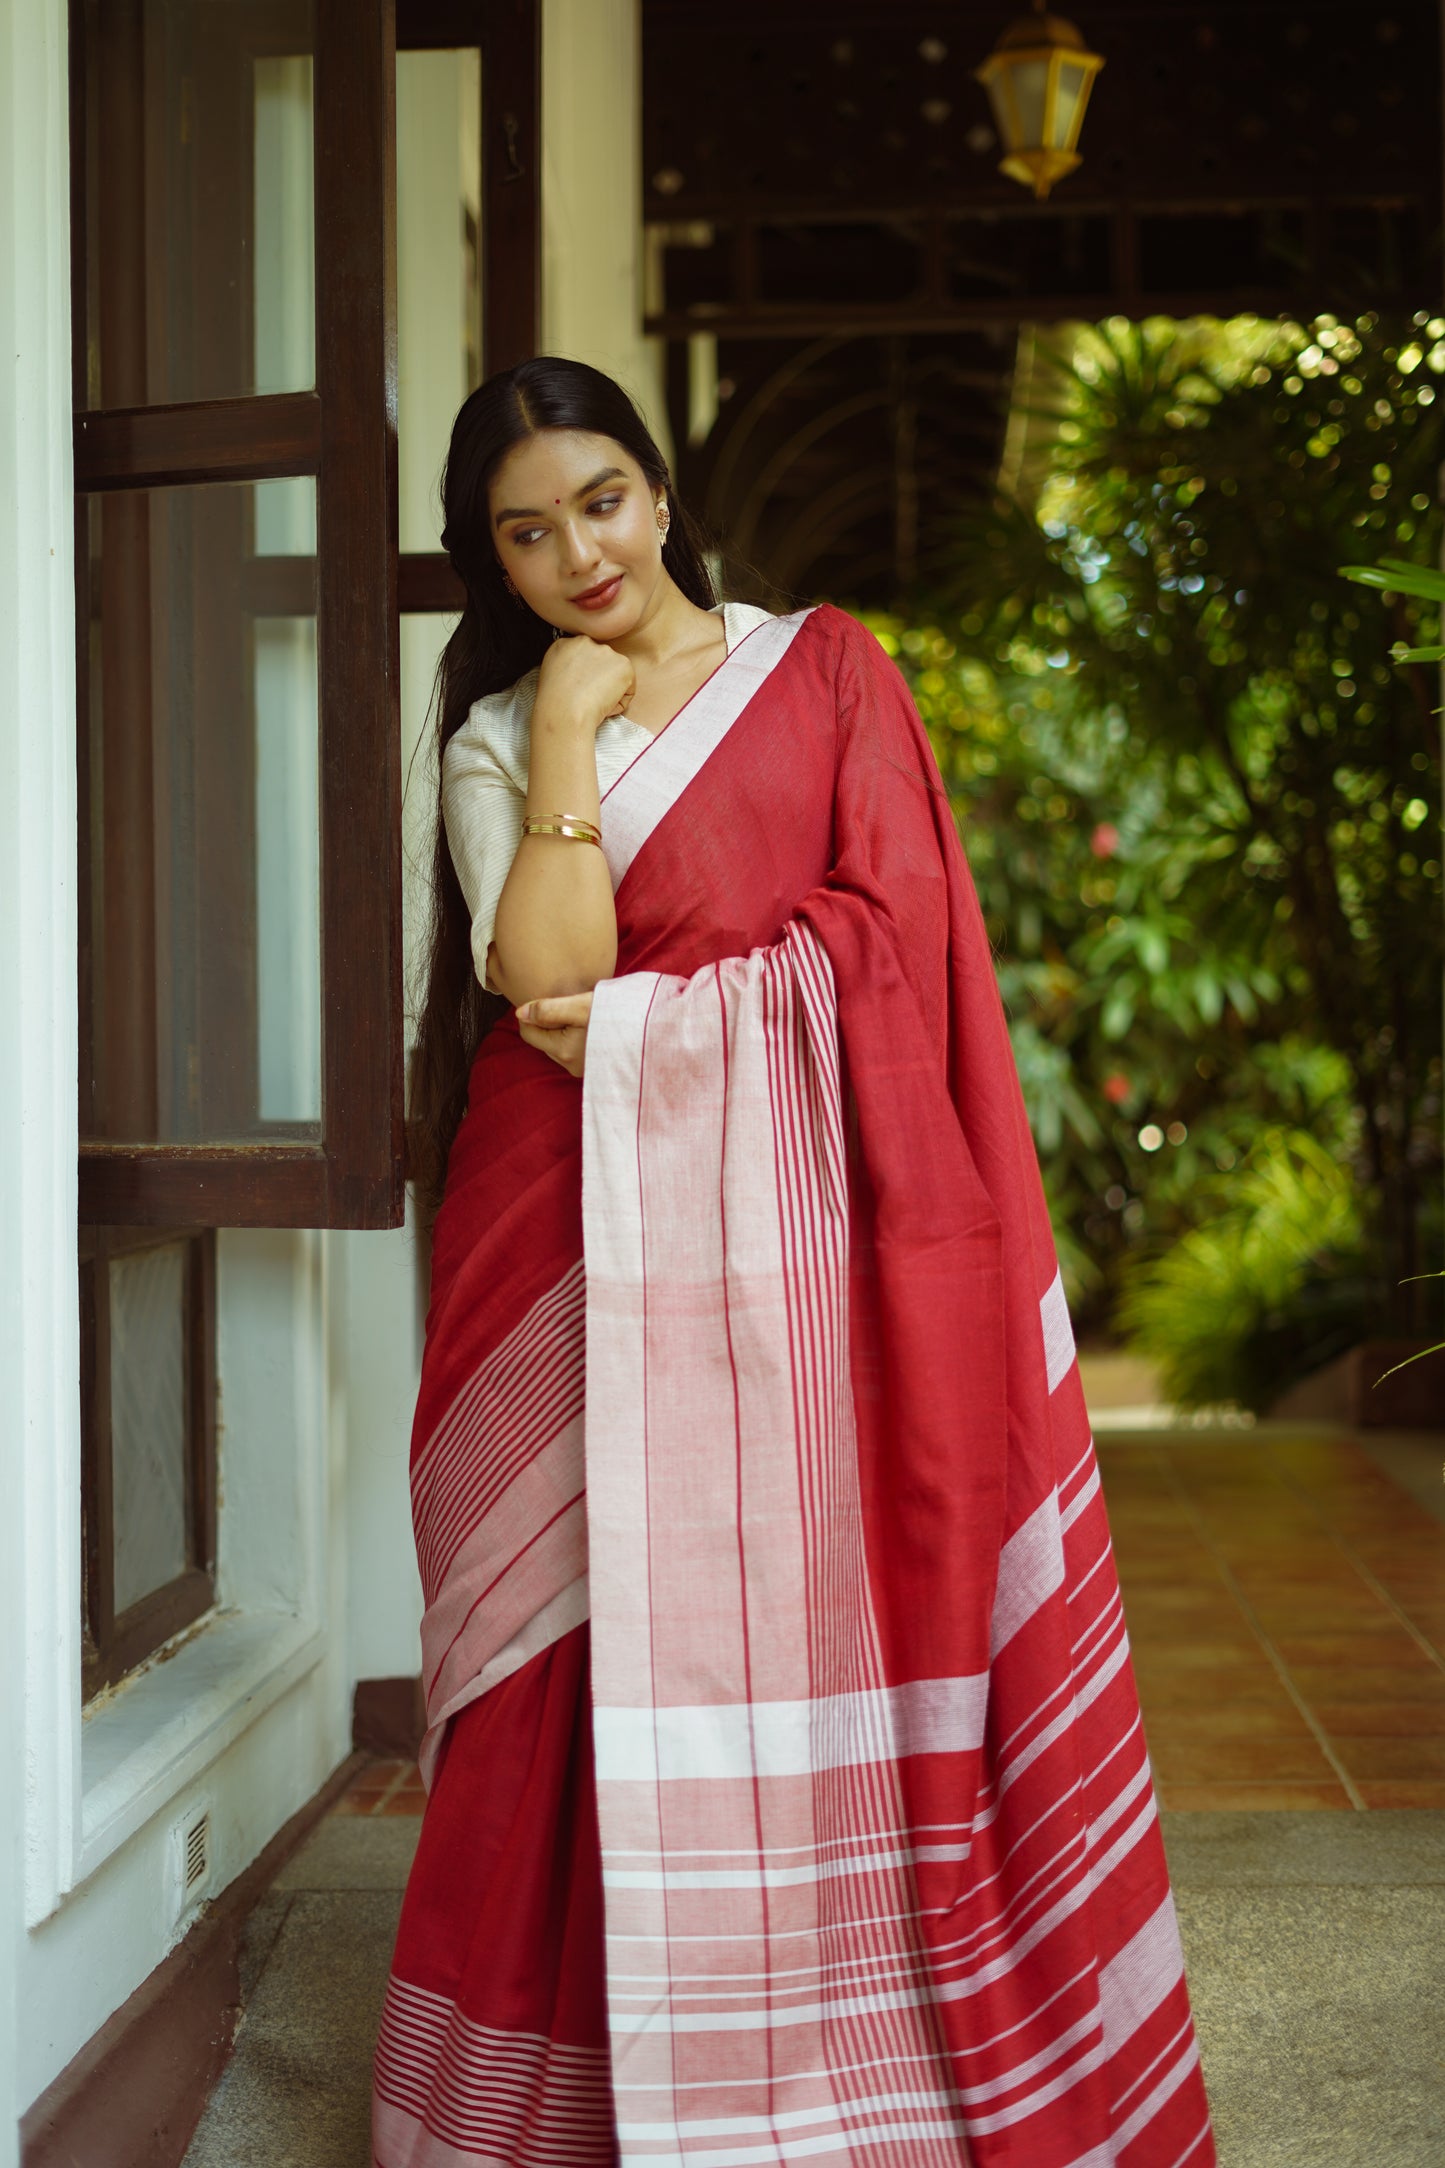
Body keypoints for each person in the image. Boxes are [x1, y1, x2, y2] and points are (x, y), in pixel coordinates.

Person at [372, 356, 1215, 2168]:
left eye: (600, 501)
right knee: (550, 1652)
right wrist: (575, 743)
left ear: (659, 494)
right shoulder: (504, 735)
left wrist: (677, 1025)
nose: (576, 551)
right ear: (495, 564)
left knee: (801, 1600)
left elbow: (893, 943)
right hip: (557, 1239)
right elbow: (538, 986)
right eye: (527, 533)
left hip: (794, 1241)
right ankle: (561, 2098)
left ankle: (828, 2051)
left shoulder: (822, 670)